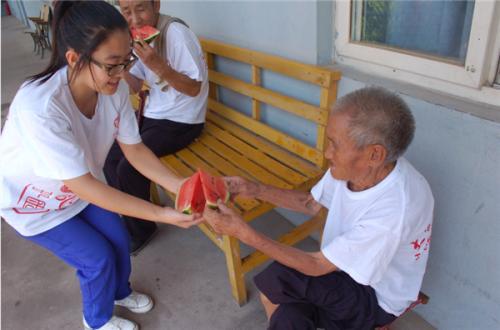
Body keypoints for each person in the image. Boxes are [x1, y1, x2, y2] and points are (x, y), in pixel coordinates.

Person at [0, 2, 202, 329]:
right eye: (112, 65)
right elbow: (86, 186)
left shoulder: (112, 87)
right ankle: (97, 320)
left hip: (78, 191)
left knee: (119, 239)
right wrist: (162, 213)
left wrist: (179, 185)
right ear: (73, 58)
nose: (122, 75)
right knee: (97, 259)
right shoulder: (40, 107)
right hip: (35, 205)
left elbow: (134, 149)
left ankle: (119, 292)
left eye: (126, 62)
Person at [204, 87, 435, 330]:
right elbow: (312, 203)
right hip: (342, 268)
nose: (327, 153)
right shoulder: (357, 169)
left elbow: (317, 266)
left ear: (375, 154)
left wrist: (242, 232)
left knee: (281, 278)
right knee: (287, 315)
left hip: (375, 297)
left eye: (335, 145)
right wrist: (253, 189)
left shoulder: (395, 210)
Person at [104, 0, 209, 255]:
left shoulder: (176, 34)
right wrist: (122, 67)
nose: (135, 20)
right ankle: (131, 215)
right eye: (126, 12)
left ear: (156, 4)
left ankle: (142, 230)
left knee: (129, 167)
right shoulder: (135, 37)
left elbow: (195, 89)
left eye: (140, 8)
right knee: (109, 157)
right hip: (153, 114)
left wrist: (158, 65)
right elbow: (138, 85)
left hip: (184, 120)